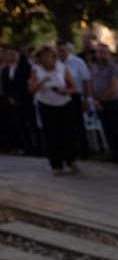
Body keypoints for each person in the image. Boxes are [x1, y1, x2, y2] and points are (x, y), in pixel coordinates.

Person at [28, 45, 79, 174]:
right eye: (43, 57)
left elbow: (74, 88)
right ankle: (56, 164)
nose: (47, 59)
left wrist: (64, 91)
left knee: (68, 133)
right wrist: (42, 82)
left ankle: (71, 159)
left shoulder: (62, 68)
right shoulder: (36, 70)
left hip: (63, 103)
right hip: (46, 104)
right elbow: (31, 90)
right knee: (51, 135)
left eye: (49, 56)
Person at [2, 44, 39, 156]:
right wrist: (10, 97)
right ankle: (27, 148)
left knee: (32, 125)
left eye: (13, 54)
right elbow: (6, 87)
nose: (11, 57)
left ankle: (37, 148)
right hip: (13, 102)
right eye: (8, 55)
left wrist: (19, 97)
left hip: (26, 100)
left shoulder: (26, 67)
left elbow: (26, 85)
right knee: (20, 126)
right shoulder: (6, 70)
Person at [56, 41, 91, 155]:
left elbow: (86, 80)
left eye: (62, 51)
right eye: (58, 51)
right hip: (60, 95)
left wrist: (86, 98)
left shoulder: (77, 62)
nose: (60, 53)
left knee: (78, 123)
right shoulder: (56, 63)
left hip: (75, 95)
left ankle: (84, 149)